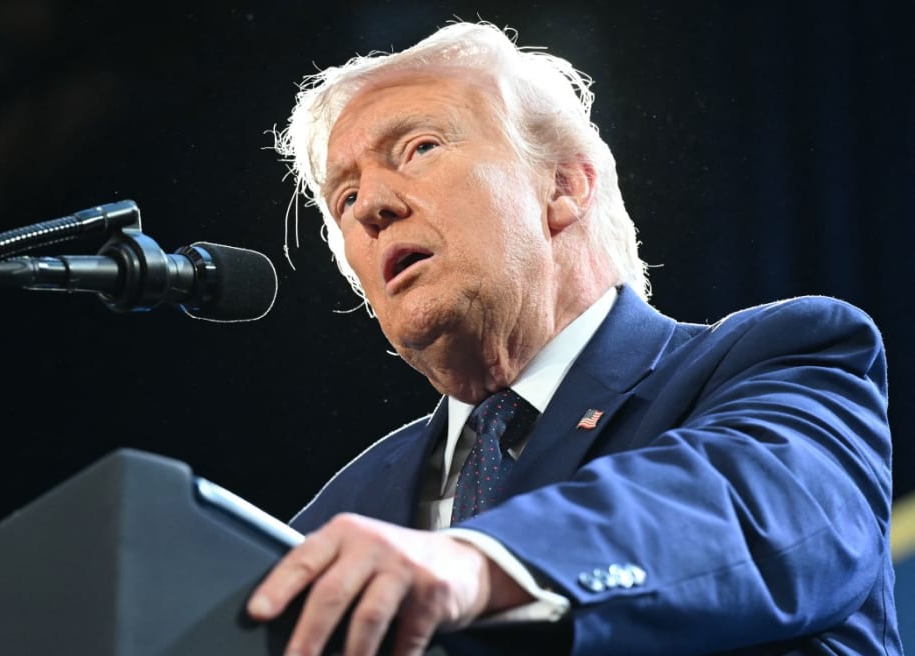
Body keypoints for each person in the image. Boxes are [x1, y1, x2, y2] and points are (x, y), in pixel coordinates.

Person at [245, 20, 901, 656]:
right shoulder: (337, 515)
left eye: (419, 148)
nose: (370, 208)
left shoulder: (778, 360)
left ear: (563, 186)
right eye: (345, 198)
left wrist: (481, 562)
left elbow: (767, 514)